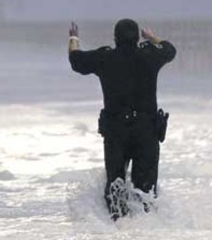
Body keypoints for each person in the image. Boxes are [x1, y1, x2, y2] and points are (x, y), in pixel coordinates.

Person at [68, 19, 176, 220]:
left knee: (115, 185)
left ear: (115, 38)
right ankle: (147, 229)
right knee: (146, 189)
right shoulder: (150, 56)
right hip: (146, 130)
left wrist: (73, 37)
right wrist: (152, 38)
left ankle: (118, 227)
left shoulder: (105, 58)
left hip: (117, 131)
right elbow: (170, 50)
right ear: (137, 38)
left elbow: (75, 60)